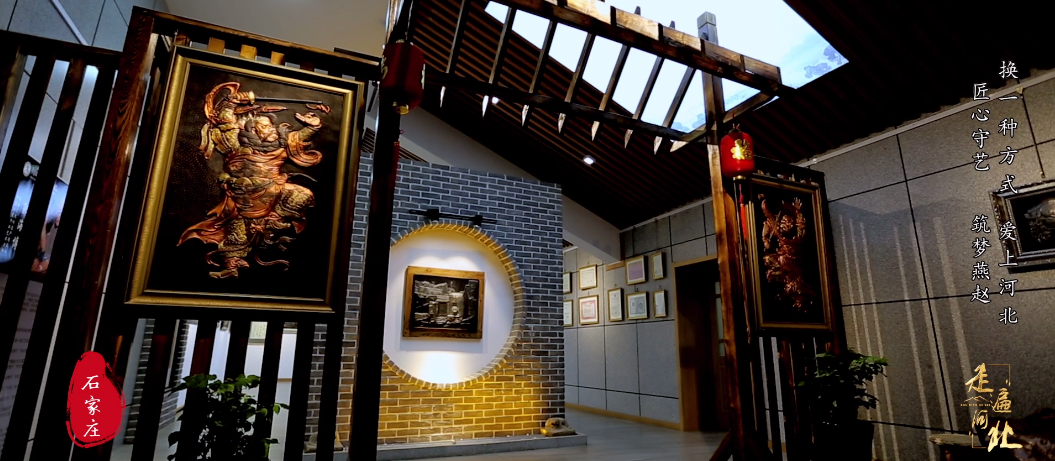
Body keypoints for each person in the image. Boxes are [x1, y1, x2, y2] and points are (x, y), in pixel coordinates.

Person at [179, 82, 327, 279]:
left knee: (303, 195)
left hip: (273, 189)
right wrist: (231, 102)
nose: (271, 129)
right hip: (243, 194)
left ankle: (273, 226)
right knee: (237, 228)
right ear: (253, 130)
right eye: (264, 126)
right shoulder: (237, 144)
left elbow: (298, 137)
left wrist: (313, 126)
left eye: (271, 126)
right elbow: (226, 123)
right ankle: (231, 266)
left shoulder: (281, 144)